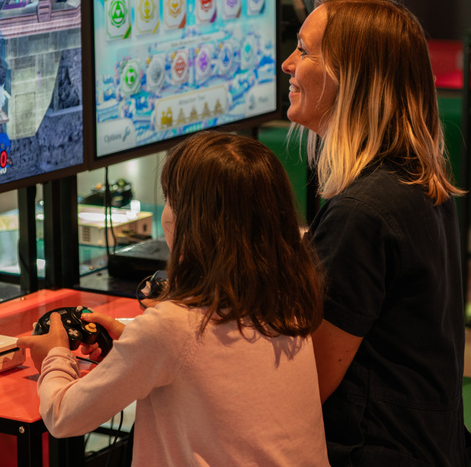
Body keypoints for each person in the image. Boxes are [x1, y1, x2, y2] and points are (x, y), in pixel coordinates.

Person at [17, 131, 329, 466]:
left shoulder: (172, 328)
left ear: (192, 224)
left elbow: (64, 417)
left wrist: (55, 355)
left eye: (170, 199)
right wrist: (133, 341)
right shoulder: (289, 302)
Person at [281, 0, 471, 466]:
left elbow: (307, 383)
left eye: (304, 51)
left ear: (351, 77)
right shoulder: (415, 180)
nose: (288, 64)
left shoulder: (363, 213)